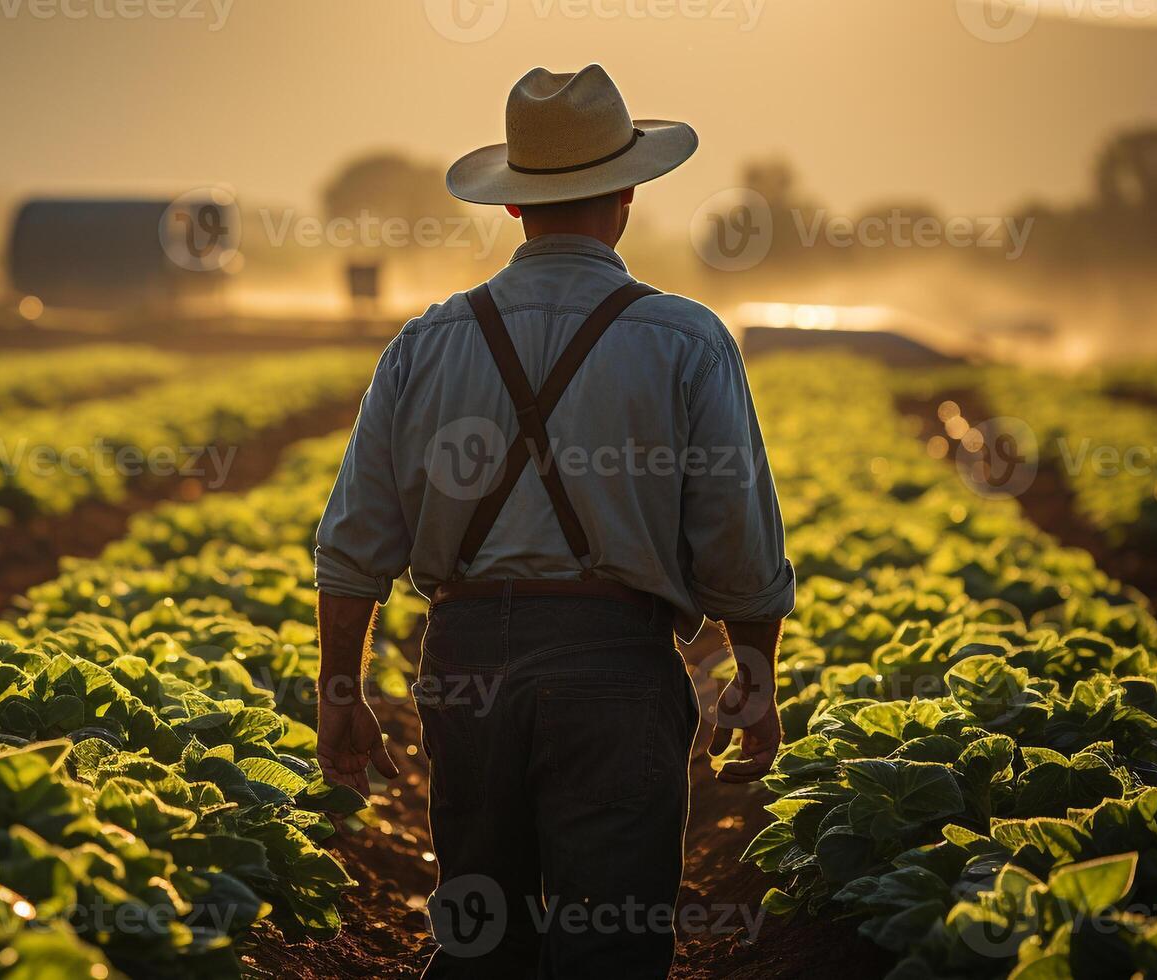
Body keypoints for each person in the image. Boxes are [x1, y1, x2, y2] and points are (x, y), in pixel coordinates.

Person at [311, 64, 795, 978]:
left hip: (463, 668)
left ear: (512, 207)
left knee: (481, 934)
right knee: (607, 945)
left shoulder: (425, 342)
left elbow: (352, 548)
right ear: (625, 194)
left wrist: (340, 692)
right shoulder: (685, 339)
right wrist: (755, 672)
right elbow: (736, 539)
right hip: (614, 665)